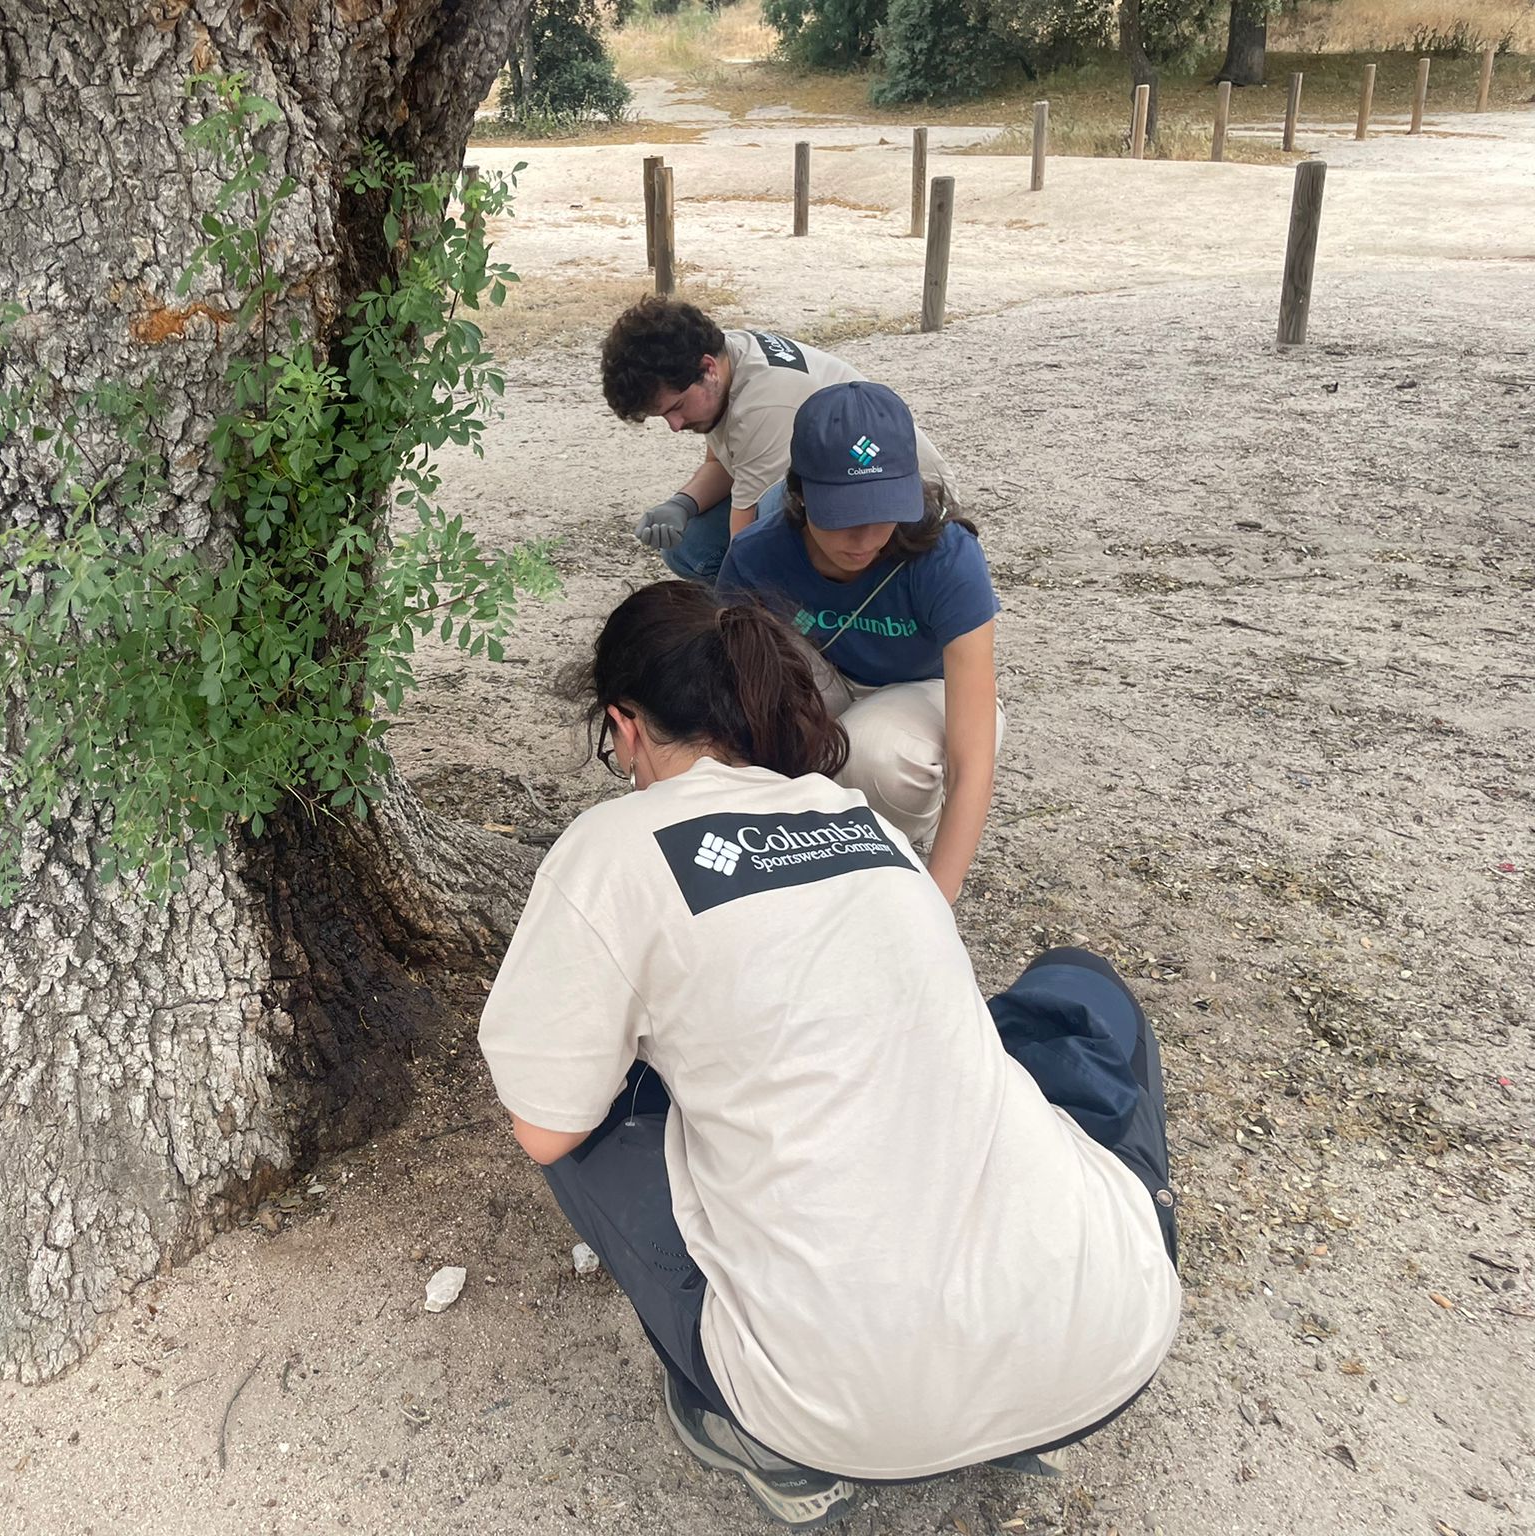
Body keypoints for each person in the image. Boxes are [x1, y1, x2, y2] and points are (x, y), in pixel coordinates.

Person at [478, 583, 1180, 1529]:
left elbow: (545, 1129)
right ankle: (1052, 1310)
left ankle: (742, 1423)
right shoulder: (869, 828)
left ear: (625, 727)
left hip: (840, 1411)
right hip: (1107, 1339)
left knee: (586, 1128)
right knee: (1073, 987)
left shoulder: (609, 849)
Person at [718, 380, 999, 905]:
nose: (867, 537)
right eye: (844, 515)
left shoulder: (947, 556)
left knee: (874, 757)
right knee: (752, 673)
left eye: (885, 507)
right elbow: (724, 696)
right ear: (799, 495)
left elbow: (973, 751)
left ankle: (885, 847)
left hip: (924, 691)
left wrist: (939, 900)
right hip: (824, 677)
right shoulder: (758, 554)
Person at [601, 297, 956, 585]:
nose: (675, 425)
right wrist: (681, 504)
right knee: (687, 545)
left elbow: (748, 535)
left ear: (707, 368)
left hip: (909, 503)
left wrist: (734, 614)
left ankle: (818, 610)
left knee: (776, 506)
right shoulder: (728, 356)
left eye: (676, 408)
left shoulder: (763, 402)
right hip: (848, 488)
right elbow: (723, 466)